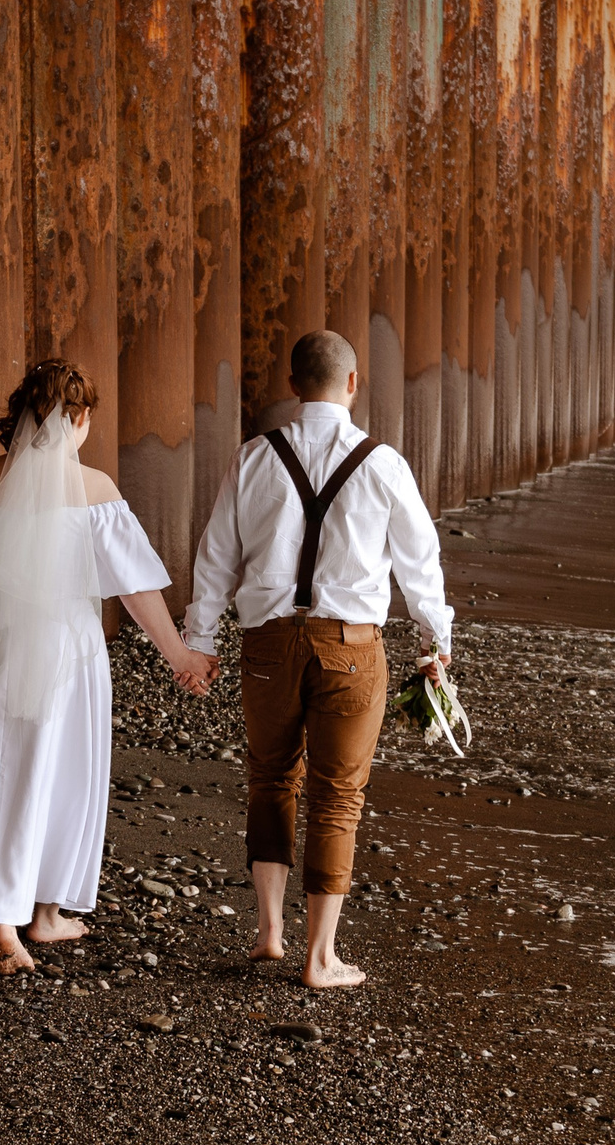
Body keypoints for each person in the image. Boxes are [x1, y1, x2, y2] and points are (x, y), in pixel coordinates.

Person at [0, 360, 205, 975]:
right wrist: (180, 656)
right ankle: (32, 918)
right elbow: (137, 590)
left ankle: (15, 921)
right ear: (81, 419)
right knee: (62, 774)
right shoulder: (95, 490)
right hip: (71, 652)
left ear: (21, 415)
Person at [179, 330, 453, 989]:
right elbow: (420, 563)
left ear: (294, 384)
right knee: (337, 798)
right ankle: (320, 957)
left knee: (270, 778)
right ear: (353, 384)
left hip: (269, 642)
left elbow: (216, 555)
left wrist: (202, 640)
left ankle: (270, 932)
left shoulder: (253, 456)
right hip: (352, 647)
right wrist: (434, 642)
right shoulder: (383, 463)